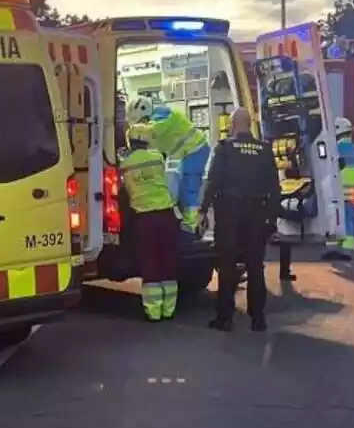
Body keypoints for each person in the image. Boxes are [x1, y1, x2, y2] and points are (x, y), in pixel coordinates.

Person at [200, 107, 282, 332]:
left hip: (230, 214)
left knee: (227, 266)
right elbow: (275, 188)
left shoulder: (225, 148)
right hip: (257, 214)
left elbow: (213, 181)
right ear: (250, 124)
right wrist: (271, 218)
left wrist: (202, 210)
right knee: (255, 266)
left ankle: (224, 318)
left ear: (233, 125)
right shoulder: (264, 149)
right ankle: (258, 319)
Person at [125, 95, 211, 235]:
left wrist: (129, 131)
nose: (142, 124)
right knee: (183, 188)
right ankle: (190, 222)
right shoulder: (158, 117)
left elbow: (151, 130)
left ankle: (192, 226)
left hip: (195, 148)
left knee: (189, 189)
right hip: (188, 152)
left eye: (142, 121)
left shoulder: (161, 116)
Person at [120, 124, 180, 322]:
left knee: (150, 264)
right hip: (166, 215)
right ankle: (169, 309)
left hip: (144, 219)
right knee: (168, 262)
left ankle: (153, 311)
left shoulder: (125, 164)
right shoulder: (157, 158)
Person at [324, 116, 354, 261]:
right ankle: (347, 250)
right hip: (351, 191)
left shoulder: (335, 148)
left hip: (336, 190)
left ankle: (332, 248)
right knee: (349, 221)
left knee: (333, 219)